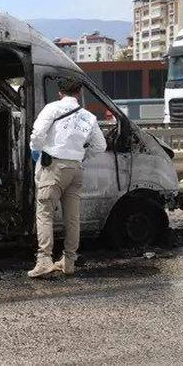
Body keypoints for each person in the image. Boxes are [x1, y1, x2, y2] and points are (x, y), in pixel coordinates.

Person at [28, 77, 106, 278]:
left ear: (59, 92)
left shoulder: (52, 109)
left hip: (54, 167)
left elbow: (37, 134)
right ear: (79, 93)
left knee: (44, 212)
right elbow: (100, 146)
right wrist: (79, 156)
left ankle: (44, 260)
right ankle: (69, 262)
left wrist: (36, 151)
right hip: (76, 169)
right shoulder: (88, 117)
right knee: (72, 218)